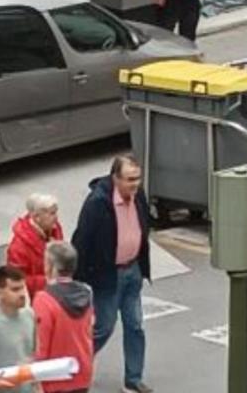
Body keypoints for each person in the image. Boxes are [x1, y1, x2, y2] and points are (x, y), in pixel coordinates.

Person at [72, 155, 152, 393]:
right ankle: (75, 371)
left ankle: (133, 379)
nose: (135, 184)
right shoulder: (97, 203)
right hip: (108, 276)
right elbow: (82, 241)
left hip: (133, 270)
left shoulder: (139, 196)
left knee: (135, 325)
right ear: (115, 178)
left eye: (137, 178)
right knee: (103, 328)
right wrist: (79, 280)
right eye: (129, 179)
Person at [34, 241, 94, 393]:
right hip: (82, 371)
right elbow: (90, 331)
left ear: (51, 267)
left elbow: (41, 345)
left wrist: (36, 380)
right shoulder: (87, 293)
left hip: (55, 376)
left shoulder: (44, 299)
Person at [7, 193, 65, 300]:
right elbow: (16, 281)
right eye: (52, 213)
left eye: (56, 212)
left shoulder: (55, 229)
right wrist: (48, 281)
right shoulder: (18, 247)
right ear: (37, 217)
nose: (56, 217)